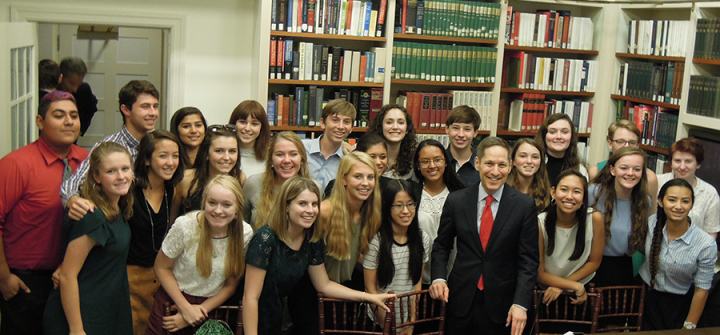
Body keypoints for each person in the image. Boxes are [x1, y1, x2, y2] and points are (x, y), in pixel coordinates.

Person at [242, 176, 395, 335]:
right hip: (252, 318)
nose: (310, 210)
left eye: (314, 204)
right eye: (302, 204)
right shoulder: (265, 239)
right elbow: (250, 297)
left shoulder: (310, 239)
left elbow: (324, 285)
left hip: (278, 316)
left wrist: (369, 297)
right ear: (286, 206)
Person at [430, 136, 539, 335]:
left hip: (503, 306)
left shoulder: (524, 206)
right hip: (460, 301)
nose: (495, 172)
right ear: (478, 163)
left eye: (502, 165)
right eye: (489, 163)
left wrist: (521, 304)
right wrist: (438, 278)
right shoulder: (457, 201)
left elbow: (528, 262)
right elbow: (441, 246)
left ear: (511, 166)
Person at [0, 91, 88, 335]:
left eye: (74, 115)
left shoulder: (89, 162)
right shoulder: (16, 165)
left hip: (73, 278)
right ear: (40, 122)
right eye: (59, 116)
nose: (69, 122)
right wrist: (4, 278)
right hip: (27, 283)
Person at [43, 142, 134, 335]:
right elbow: (67, 276)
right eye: (111, 171)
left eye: (125, 169)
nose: (121, 176)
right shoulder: (94, 216)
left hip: (108, 308)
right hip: (83, 316)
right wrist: (77, 330)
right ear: (96, 176)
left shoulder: (119, 208)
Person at [146, 175, 253, 335]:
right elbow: (161, 267)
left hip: (211, 308)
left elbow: (231, 285)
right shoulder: (185, 226)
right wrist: (185, 309)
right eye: (212, 203)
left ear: (237, 207)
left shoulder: (244, 233)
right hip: (173, 302)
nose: (218, 210)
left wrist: (199, 311)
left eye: (226, 205)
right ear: (204, 202)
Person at [61, 79, 159, 220]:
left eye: (155, 106)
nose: (153, 113)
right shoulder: (109, 146)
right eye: (145, 107)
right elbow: (74, 183)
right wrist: (72, 200)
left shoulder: (157, 144)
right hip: (115, 223)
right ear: (126, 110)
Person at [127, 130, 185, 335]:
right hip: (129, 277)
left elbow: (169, 232)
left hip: (159, 276)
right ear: (147, 159)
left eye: (175, 156)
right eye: (163, 156)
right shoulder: (128, 191)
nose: (171, 162)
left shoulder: (173, 190)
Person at [639, 178, 717, 330]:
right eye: (672, 200)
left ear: (692, 204)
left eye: (685, 201)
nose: (678, 206)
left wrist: (689, 326)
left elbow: (702, 290)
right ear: (661, 202)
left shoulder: (705, 244)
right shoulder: (650, 224)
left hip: (682, 305)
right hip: (647, 301)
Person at [364, 179, 431, 334]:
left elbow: (417, 284)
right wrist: (386, 325)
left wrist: (411, 324)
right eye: (398, 205)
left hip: (407, 321)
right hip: (378, 321)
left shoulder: (422, 238)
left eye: (410, 204)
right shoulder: (376, 242)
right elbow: (370, 289)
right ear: (388, 208)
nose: (406, 211)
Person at [537, 170, 604, 305]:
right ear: (553, 193)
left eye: (577, 192)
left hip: (582, 287)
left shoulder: (594, 219)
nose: (569, 196)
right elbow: (539, 273)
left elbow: (594, 262)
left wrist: (564, 285)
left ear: (584, 197)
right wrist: (573, 286)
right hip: (547, 292)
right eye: (564, 190)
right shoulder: (539, 223)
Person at [589, 147, 651, 287]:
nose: (630, 173)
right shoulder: (592, 193)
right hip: (590, 267)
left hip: (623, 269)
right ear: (612, 170)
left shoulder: (645, 202)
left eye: (637, 169)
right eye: (624, 168)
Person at [413, 139, 465, 286]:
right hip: (418, 277)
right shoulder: (411, 194)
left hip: (454, 276)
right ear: (418, 165)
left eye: (437, 160)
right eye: (425, 161)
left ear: (446, 162)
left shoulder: (460, 195)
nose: (432, 166)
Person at [172, 125, 245, 220]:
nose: (227, 157)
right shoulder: (186, 179)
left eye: (232, 151)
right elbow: (172, 221)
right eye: (219, 151)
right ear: (206, 154)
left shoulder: (239, 178)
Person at [243, 131, 313, 229]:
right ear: (271, 159)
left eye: (293, 154)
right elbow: (242, 225)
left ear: (302, 159)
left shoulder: (313, 189)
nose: (287, 160)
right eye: (280, 154)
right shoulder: (254, 184)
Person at [656, 137, 720, 239]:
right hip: (656, 246)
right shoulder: (657, 182)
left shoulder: (710, 193)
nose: (682, 167)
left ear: (698, 164)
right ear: (671, 162)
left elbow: (711, 234)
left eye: (688, 161)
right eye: (677, 161)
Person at [588, 120, 659, 209]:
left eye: (632, 142)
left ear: (638, 145)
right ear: (610, 143)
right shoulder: (595, 171)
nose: (626, 146)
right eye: (620, 142)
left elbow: (650, 216)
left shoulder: (650, 178)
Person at [303, 99, 356, 190]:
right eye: (335, 120)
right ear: (323, 123)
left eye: (346, 122)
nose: (340, 127)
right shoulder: (302, 148)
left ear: (351, 128)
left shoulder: (350, 160)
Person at [324, 133, 391, 197]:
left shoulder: (391, 186)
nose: (378, 162)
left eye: (383, 157)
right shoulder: (335, 185)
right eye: (372, 157)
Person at [534, 114, 588, 186]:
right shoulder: (533, 164)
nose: (559, 136)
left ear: (571, 137)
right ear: (544, 136)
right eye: (553, 132)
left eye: (564, 132)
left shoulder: (580, 170)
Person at [367, 104, 418, 180]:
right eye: (389, 122)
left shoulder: (413, 161)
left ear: (407, 128)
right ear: (381, 126)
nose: (395, 127)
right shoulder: (364, 151)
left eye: (400, 122)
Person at [507, 138, 552, 212]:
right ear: (513, 161)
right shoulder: (503, 190)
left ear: (540, 162)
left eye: (535, 157)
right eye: (523, 156)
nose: (529, 161)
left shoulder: (547, 193)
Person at [229, 100, 271, 177]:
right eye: (242, 122)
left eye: (254, 124)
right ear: (233, 124)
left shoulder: (270, 158)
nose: (247, 128)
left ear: (262, 127)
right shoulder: (224, 156)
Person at [58, 57, 98, 136]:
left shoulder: (84, 90)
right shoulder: (52, 92)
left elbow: (91, 108)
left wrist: (81, 129)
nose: (75, 89)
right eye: (72, 84)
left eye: (78, 84)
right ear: (61, 77)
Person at [445, 105, 481, 186]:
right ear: (447, 129)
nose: (461, 134)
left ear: (475, 133)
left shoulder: (483, 164)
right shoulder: (438, 162)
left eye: (467, 129)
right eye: (456, 128)